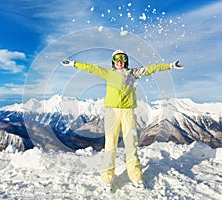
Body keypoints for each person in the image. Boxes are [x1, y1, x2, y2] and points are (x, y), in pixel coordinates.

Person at [61, 49, 184, 190]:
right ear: (113, 62)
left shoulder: (133, 73)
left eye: (123, 58)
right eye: (117, 58)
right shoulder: (108, 73)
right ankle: (107, 179)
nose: (120, 61)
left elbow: (151, 69)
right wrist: (73, 63)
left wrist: (170, 66)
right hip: (111, 113)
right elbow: (91, 68)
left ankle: (136, 177)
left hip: (128, 112)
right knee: (110, 146)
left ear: (126, 61)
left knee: (131, 145)